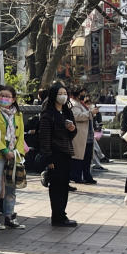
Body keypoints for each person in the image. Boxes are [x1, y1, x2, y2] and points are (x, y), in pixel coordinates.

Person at [39, 83, 78, 227]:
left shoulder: (67, 112)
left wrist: (72, 129)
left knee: (64, 185)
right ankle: (57, 215)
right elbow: (44, 138)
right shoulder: (48, 114)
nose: (63, 96)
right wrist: (48, 159)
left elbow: (73, 133)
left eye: (65, 93)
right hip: (54, 154)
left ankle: (62, 213)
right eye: (60, 93)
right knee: (56, 186)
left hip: (66, 152)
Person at [0, 85, 27, 230]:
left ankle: (9, 216)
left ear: (13, 99)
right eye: (1, 95)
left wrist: (18, 151)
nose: (3, 98)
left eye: (7, 96)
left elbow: (21, 135)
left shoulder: (18, 114)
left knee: (11, 186)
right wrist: (4, 150)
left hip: (14, 154)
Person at [70, 90, 96, 185]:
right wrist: (90, 113)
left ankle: (87, 176)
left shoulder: (80, 104)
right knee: (79, 157)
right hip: (80, 134)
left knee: (87, 157)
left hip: (87, 134)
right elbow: (77, 116)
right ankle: (76, 176)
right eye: (82, 93)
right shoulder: (73, 104)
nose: (83, 95)